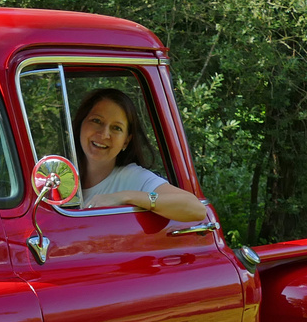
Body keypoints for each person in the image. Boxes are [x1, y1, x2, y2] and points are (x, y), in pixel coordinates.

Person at [72, 88, 209, 222]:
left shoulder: (133, 177)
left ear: (126, 141)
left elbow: (196, 209)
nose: (104, 134)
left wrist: (125, 197)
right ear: (81, 124)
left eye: (116, 128)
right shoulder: (58, 177)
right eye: (96, 121)